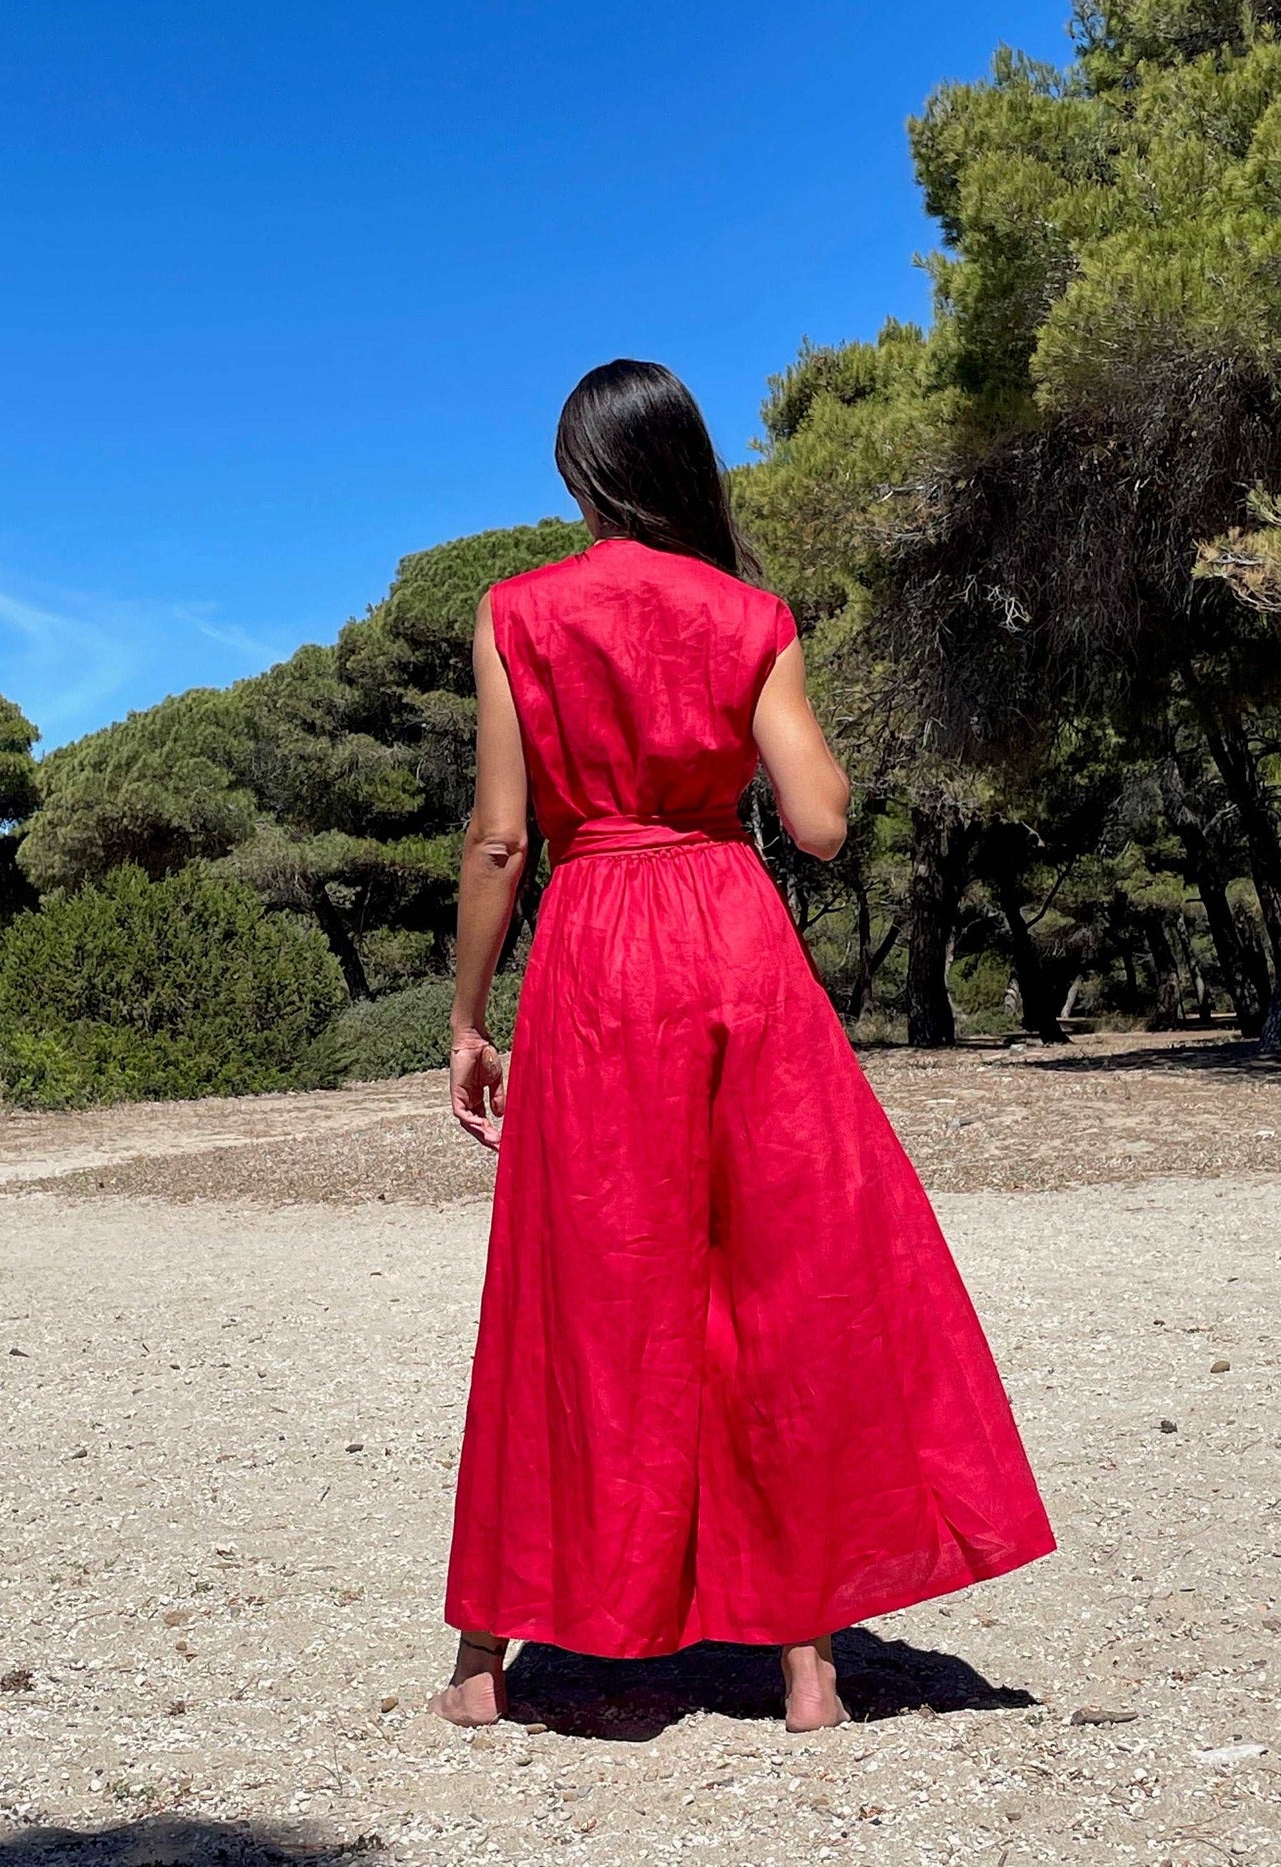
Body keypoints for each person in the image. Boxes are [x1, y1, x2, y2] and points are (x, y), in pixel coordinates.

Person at [431, 359, 1055, 1733]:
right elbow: (822, 822)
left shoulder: (516, 613)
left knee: (574, 1289)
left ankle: (485, 1661)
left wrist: (471, 1018)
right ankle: (809, 1666)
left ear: (580, 475)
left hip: (596, 950)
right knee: (780, 1286)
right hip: (732, 941)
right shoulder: (751, 613)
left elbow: (498, 838)